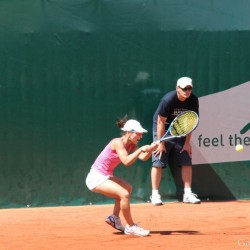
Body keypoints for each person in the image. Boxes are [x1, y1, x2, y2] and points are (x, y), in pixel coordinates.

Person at [86, 116, 158, 237]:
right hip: (96, 177)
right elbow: (126, 161)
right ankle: (131, 226)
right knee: (124, 194)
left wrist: (150, 149)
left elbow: (142, 158)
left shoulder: (132, 144)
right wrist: (140, 149)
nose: (140, 136)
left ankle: (114, 218)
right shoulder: (117, 142)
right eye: (138, 134)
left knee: (128, 188)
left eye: (141, 134)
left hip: (106, 175)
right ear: (129, 133)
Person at [150, 77, 201, 205]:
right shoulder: (168, 100)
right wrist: (161, 142)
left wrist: (187, 143)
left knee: (186, 158)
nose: (187, 91)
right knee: (158, 158)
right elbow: (160, 122)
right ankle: (155, 195)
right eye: (184, 89)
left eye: (189, 88)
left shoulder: (193, 100)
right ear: (178, 88)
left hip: (181, 127)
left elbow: (191, 122)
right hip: (163, 127)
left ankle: (187, 194)